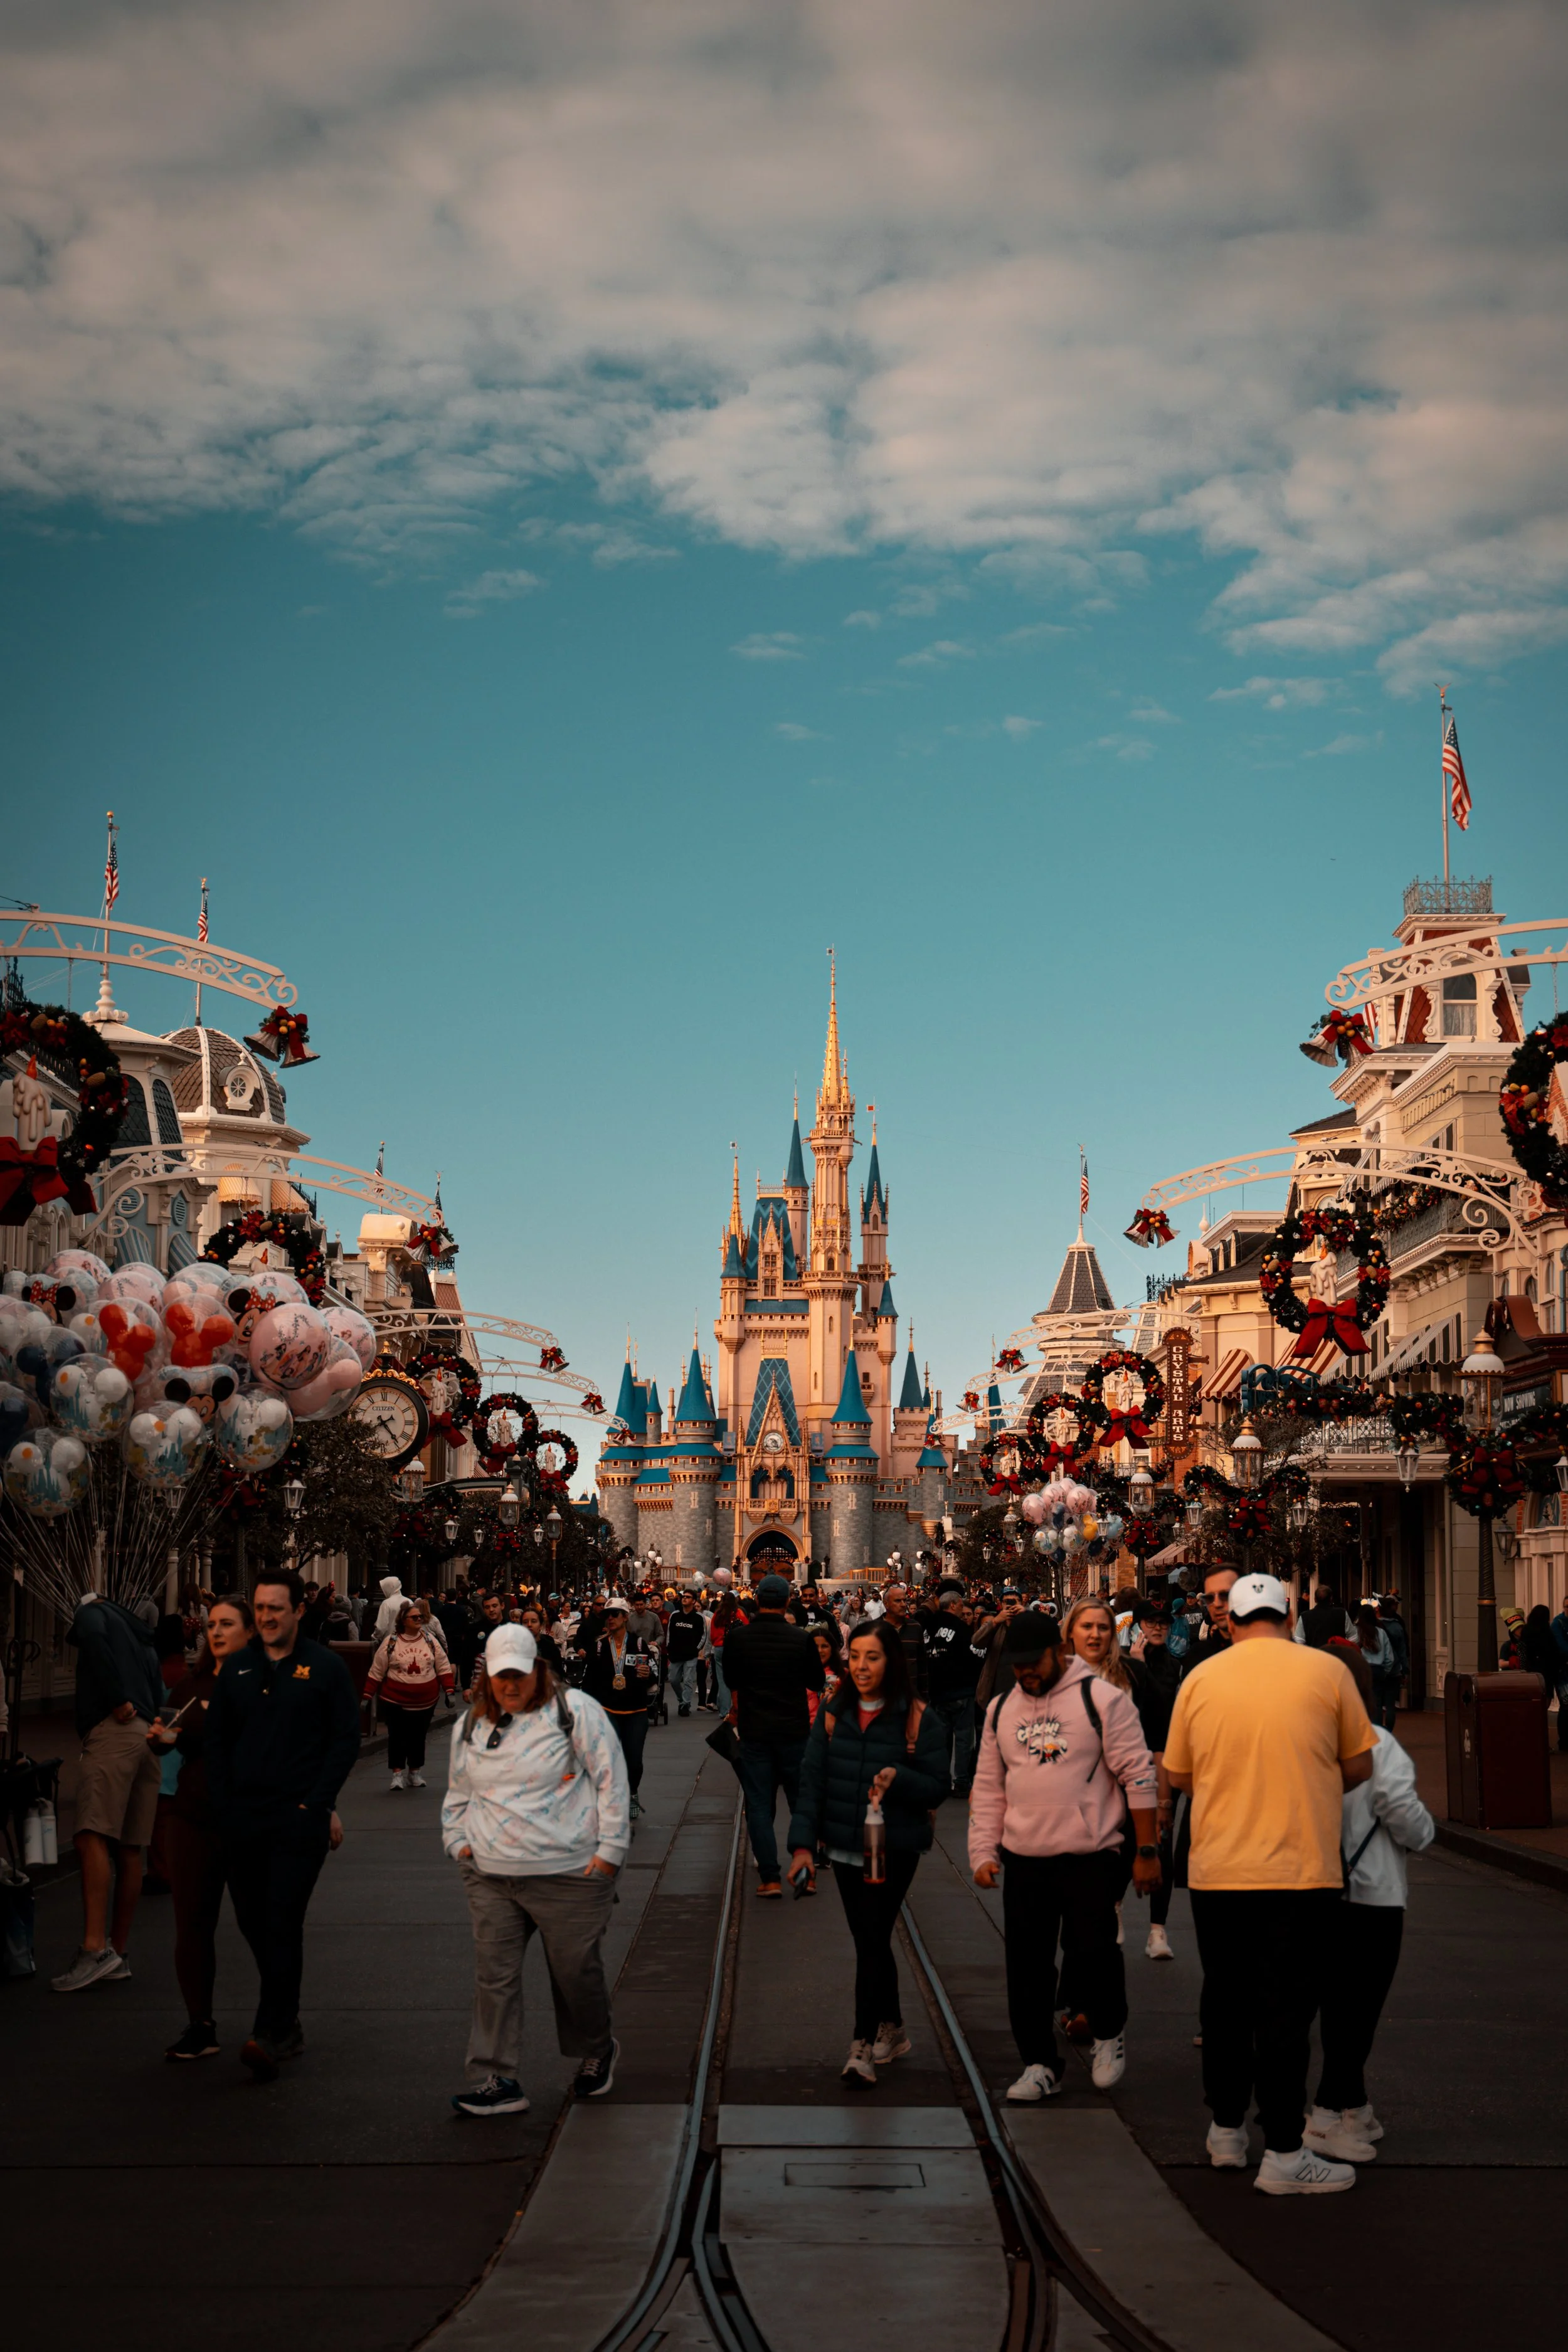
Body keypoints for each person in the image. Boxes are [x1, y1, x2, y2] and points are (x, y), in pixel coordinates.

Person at [1163, 1571, 1375, 2195]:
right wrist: (1310, 1782)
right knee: (1285, 2007)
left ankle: (1225, 2130)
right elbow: (1359, 1763)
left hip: (1219, 1868)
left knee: (1225, 1999)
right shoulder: (1327, 1673)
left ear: (1228, 1622)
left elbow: (1177, 1775)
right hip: (1300, 1867)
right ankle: (1282, 2150)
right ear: (1289, 1617)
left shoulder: (1201, 1678)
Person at [970, 1611, 1158, 2103]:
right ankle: (1039, 2063)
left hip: (1090, 1854)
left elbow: (1140, 1776)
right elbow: (989, 1788)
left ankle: (1108, 2032)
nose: (1026, 1673)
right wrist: (982, 1851)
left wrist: (1147, 1851)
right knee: (1027, 1968)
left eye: (1034, 1662)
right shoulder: (1001, 1710)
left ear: (1058, 1651)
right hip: (1025, 1859)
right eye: (1018, 1666)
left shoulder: (1103, 1700)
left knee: (1093, 1953)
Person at [443, 1621, 630, 2115]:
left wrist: (609, 1853)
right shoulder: (473, 1723)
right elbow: (459, 1790)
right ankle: (495, 2075)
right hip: (492, 1873)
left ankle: (597, 2049)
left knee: (575, 1973)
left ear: (538, 1670)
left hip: (568, 1871)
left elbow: (611, 1779)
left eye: (518, 1676)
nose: (509, 1686)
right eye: (500, 1677)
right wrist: (457, 1841)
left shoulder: (576, 1712)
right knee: (495, 1977)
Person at [149, 1596, 343, 2060]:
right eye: (211, 1624)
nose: (215, 1632)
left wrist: (323, 1806)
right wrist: (160, 1740)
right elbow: (170, 1739)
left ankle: (280, 2018)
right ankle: (201, 2026)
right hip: (192, 1817)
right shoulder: (190, 1685)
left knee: (261, 1923)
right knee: (192, 1922)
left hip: (253, 1820)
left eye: (228, 1624)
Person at [205, 1568, 361, 2081]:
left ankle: (272, 2030)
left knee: (280, 1918)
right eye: (261, 1608)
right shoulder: (237, 1670)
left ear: (299, 1610)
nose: (268, 1617)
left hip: (298, 1821)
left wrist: (316, 1804)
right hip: (243, 1821)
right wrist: (225, 1806)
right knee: (254, 1922)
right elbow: (218, 1742)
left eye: (277, 1608)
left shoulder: (325, 1668)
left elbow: (345, 1741)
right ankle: (285, 2016)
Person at [788, 1619, 948, 2084]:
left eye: (871, 1657)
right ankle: (893, 2026)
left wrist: (900, 1780)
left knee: (873, 1935)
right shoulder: (834, 1713)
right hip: (843, 1843)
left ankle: (860, 2044)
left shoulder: (919, 1717)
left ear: (891, 1660)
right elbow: (811, 1781)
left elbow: (938, 1786)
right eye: (854, 1656)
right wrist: (801, 1846)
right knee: (869, 1940)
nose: (860, 1666)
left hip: (894, 1844)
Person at [1308, 1639, 1434, 2158]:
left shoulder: (1304, 1740)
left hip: (1311, 1888)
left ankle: (1355, 2107)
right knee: (1358, 2009)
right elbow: (1407, 1818)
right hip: (1373, 1894)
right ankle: (1325, 2112)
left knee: (1333, 2004)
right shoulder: (1378, 1742)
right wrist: (1426, 1832)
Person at [51, 1592, 164, 1993]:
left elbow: (95, 1643)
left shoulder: (91, 1613)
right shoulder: (140, 1638)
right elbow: (160, 1693)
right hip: (147, 1739)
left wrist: (117, 1700)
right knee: (131, 1847)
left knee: (90, 1834)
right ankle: (118, 1951)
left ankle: (94, 1949)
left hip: (114, 1733)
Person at [723, 1572, 826, 1895]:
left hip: (755, 1733)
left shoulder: (739, 1639)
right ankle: (805, 1873)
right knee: (800, 1802)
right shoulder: (801, 1639)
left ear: (756, 1601)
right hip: (794, 1732)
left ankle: (769, 1878)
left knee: (758, 1804)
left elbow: (730, 1680)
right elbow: (817, 1682)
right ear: (786, 1602)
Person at [1130, 1596, 1183, 1961]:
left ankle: (1157, 1930)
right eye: (1151, 1622)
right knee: (1124, 1842)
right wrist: (1135, 1665)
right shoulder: (1123, 1664)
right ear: (1139, 1626)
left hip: (1166, 1762)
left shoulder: (1175, 1666)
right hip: (1131, 1762)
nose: (1159, 1627)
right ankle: (1114, 1910)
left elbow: (1163, 1706)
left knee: (1162, 1843)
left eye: (1163, 1622)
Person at [364, 1599, 457, 1790]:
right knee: (397, 1736)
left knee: (418, 1737)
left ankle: (414, 1773)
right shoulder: (391, 1642)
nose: (419, 1619)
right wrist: (367, 1696)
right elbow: (377, 1670)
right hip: (395, 1700)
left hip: (426, 1701)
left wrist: (449, 1691)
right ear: (403, 1620)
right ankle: (397, 1774)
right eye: (414, 1617)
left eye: (420, 1617)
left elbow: (443, 1666)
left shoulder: (430, 1641)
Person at [579, 1597, 659, 1813]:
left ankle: (632, 1793)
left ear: (625, 1618)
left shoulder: (639, 1644)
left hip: (635, 1711)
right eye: (607, 1615)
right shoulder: (599, 1647)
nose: (610, 1619)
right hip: (607, 1713)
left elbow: (655, 1675)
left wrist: (648, 1674)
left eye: (615, 1614)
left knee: (634, 1762)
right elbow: (588, 1682)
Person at [923, 1581, 982, 1796]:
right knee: (964, 1738)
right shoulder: (960, 1628)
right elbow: (972, 1655)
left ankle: (942, 1780)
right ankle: (962, 1782)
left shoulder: (928, 1626)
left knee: (942, 1739)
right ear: (955, 1605)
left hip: (938, 1691)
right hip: (961, 1690)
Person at [664, 1590, 709, 1716]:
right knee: (673, 1680)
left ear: (694, 1601)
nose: (684, 1599)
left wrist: (697, 1649)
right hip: (675, 1655)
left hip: (691, 1655)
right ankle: (681, 1700)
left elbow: (704, 1636)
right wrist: (669, 1649)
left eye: (688, 1597)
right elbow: (669, 1633)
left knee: (689, 1681)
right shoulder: (675, 1615)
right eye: (683, 1597)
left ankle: (685, 1705)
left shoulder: (699, 1617)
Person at [1354, 1604, 1397, 1729]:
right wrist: (1385, 1671)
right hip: (1378, 1670)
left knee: (1361, 1702)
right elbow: (1390, 1657)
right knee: (1377, 1703)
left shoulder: (1358, 1632)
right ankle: (1378, 1733)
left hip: (1362, 1670)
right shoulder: (1381, 1633)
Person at [807, 1621, 845, 1724]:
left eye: (824, 1646)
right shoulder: (799, 1674)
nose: (819, 1651)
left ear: (832, 1649)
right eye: (815, 1647)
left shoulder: (843, 1676)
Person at [1301, 1584, 1352, 1650]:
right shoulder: (1342, 1613)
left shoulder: (1305, 1616)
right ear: (1331, 1598)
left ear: (1315, 1600)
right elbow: (1354, 1638)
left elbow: (1299, 1640)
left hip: (1314, 1657)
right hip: (1336, 1656)